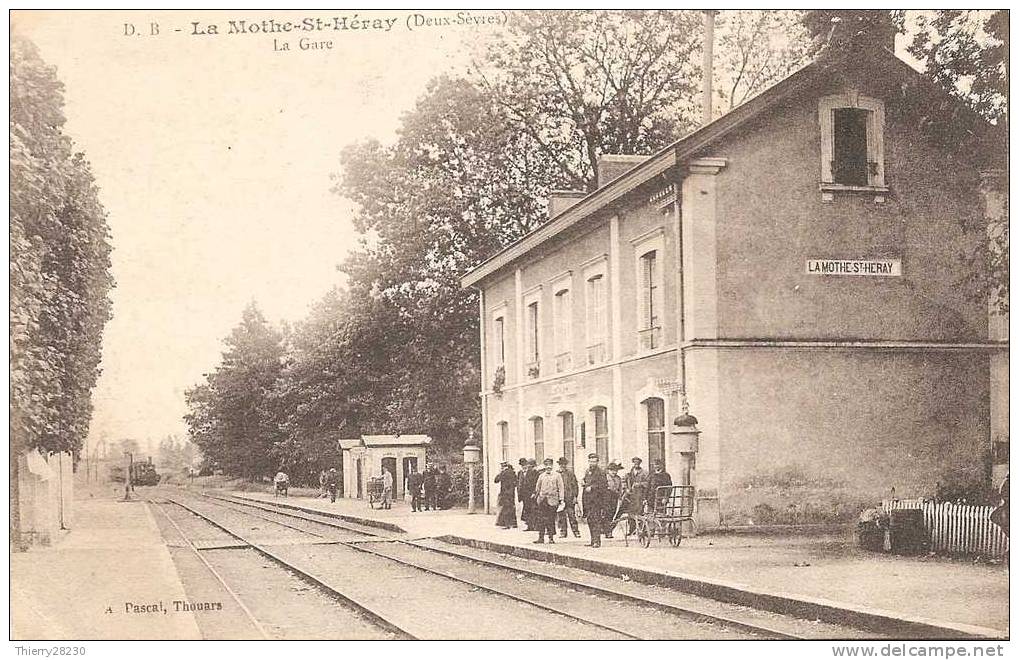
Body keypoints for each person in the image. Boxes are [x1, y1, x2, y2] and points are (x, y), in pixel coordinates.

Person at [532, 458, 565, 544]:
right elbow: (537, 488)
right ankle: (541, 538)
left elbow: (561, 488)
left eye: (550, 465)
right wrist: (536, 496)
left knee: (551, 519)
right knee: (541, 519)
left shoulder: (557, 475)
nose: (548, 467)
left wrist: (561, 499)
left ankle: (551, 538)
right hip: (542, 500)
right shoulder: (541, 476)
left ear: (552, 465)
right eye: (546, 465)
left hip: (553, 500)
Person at [581, 453, 609, 548]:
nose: (592, 463)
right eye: (591, 461)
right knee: (590, 520)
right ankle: (592, 540)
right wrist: (583, 481)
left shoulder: (601, 472)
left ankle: (597, 541)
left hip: (597, 500)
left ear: (597, 462)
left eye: (594, 461)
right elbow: (586, 480)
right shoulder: (587, 471)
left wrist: (592, 488)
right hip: (588, 500)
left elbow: (603, 485)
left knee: (596, 520)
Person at [556, 457, 581, 538]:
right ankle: (563, 531)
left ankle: (576, 531)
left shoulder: (570, 474)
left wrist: (575, 496)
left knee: (572, 515)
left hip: (569, 498)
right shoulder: (556, 474)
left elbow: (575, 486)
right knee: (561, 516)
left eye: (564, 464)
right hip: (560, 499)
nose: (562, 466)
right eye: (561, 464)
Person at [624, 457, 649, 533]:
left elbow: (647, 483)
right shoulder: (630, 473)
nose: (636, 464)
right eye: (635, 462)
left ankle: (640, 529)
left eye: (637, 462)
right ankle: (631, 529)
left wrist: (640, 484)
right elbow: (625, 482)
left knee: (639, 512)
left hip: (640, 495)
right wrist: (627, 489)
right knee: (630, 513)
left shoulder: (644, 473)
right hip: (631, 495)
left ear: (640, 463)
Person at [494, 461, 518, 528]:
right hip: (511, 493)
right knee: (512, 507)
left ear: (503, 466)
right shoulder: (513, 472)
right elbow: (516, 482)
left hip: (505, 493)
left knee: (505, 508)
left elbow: (496, 480)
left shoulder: (503, 473)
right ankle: (514, 524)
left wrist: (500, 472)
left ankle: (506, 524)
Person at [604, 461, 624, 538]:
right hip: (606, 497)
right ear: (608, 470)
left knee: (612, 513)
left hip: (614, 498)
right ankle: (607, 531)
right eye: (612, 470)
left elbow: (620, 488)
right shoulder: (605, 477)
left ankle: (609, 531)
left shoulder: (618, 478)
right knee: (606, 514)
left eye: (615, 470)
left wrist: (620, 495)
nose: (614, 472)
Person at [518, 458, 538, 531]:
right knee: (527, 510)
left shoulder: (534, 473)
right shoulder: (520, 473)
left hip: (532, 495)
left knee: (533, 510)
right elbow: (519, 484)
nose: (524, 467)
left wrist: (534, 493)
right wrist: (519, 495)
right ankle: (529, 526)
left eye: (525, 465)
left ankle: (535, 526)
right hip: (524, 495)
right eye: (522, 465)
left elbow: (536, 484)